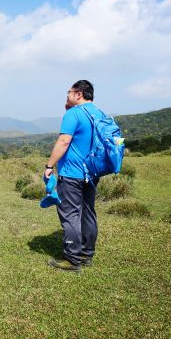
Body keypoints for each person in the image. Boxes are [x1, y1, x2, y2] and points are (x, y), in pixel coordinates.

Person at [44, 79, 104, 273]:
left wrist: (49, 165)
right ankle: (87, 254)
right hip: (92, 174)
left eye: (69, 93)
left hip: (71, 173)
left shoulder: (74, 114)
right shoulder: (100, 114)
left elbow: (63, 142)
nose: (67, 96)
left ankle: (72, 259)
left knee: (70, 215)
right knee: (88, 213)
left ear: (78, 94)